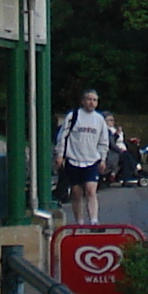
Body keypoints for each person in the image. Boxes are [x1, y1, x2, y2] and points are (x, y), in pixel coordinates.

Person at [56, 90, 112, 225]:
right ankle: (79, 222)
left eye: (94, 100)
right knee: (76, 192)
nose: (91, 102)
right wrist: (60, 155)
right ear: (82, 101)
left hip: (92, 160)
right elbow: (62, 137)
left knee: (91, 190)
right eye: (89, 99)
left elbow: (103, 141)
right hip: (73, 159)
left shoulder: (99, 120)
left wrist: (102, 158)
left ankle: (94, 220)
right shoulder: (73, 116)